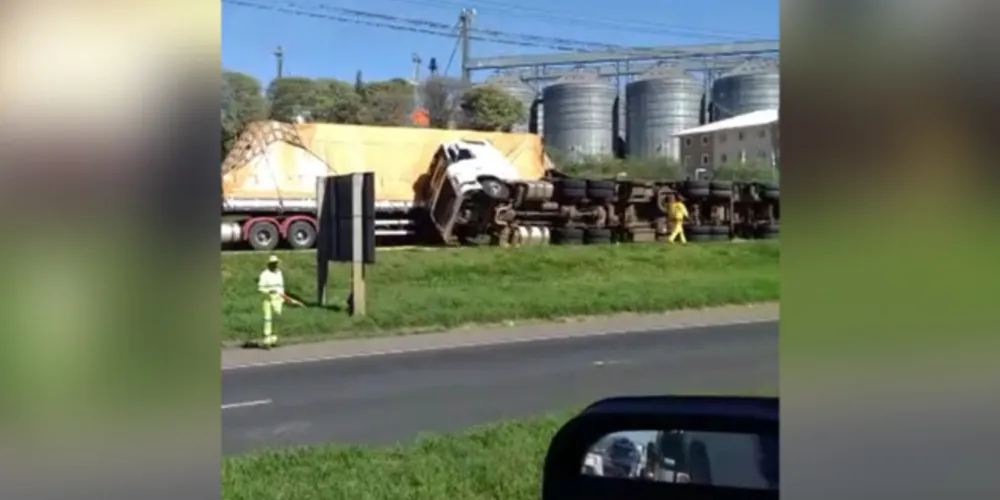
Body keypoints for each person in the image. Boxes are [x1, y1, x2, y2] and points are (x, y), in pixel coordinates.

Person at [257, 255, 286, 349]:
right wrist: (269, 291)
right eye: (273, 263)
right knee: (268, 319)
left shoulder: (279, 273)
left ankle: (274, 338)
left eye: (276, 263)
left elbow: (281, 286)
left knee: (277, 318)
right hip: (268, 299)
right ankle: (267, 340)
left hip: (278, 298)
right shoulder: (264, 274)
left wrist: (283, 296)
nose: (275, 265)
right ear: (269, 264)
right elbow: (260, 288)